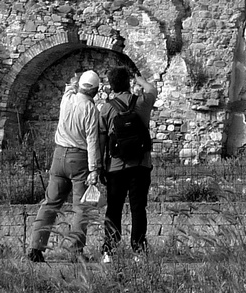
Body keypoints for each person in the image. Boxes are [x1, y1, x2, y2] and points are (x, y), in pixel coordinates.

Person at [26, 69, 104, 263]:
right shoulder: (91, 110)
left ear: (79, 86)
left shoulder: (66, 99)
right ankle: (75, 250)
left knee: (50, 203)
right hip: (79, 158)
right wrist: (94, 169)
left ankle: (36, 247)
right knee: (81, 207)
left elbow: (70, 86)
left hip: (59, 155)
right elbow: (92, 140)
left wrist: (75, 79)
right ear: (95, 90)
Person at [97, 66, 157, 262]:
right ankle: (138, 250)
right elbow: (152, 89)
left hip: (116, 166)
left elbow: (102, 140)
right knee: (138, 207)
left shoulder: (107, 108)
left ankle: (109, 251)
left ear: (111, 86)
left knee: (113, 208)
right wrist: (139, 79)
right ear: (128, 82)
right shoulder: (141, 102)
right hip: (141, 164)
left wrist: (100, 166)